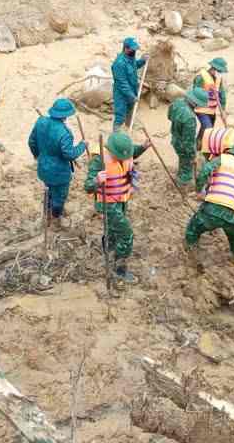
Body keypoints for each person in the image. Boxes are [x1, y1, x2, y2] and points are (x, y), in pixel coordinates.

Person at [85, 130, 151, 284]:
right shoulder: (99, 159)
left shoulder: (125, 150)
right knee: (126, 234)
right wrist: (96, 180)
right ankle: (119, 270)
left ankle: (108, 246)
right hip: (107, 202)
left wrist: (143, 147)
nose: (124, 158)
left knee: (114, 229)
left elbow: (132, 151)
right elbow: (87, 186)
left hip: (122, 197)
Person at [184, 131, 234, 260]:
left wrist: (199, 191)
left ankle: (190, 247)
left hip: (213, 209)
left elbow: (205, 171)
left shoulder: (222, 159)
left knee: (194, 228)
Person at [28, 98, 87, 229]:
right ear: (65, 115)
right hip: (59, 172)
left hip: (43, 167)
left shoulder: (41, 122)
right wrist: (82, 146)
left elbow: (31, 142)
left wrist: (38, 155)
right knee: (59, 195)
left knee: (48, 190)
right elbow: (69, 154)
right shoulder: (65, 134)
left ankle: (47, 214)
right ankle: (56, 218)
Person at [169, 87, 210, 184]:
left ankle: (181, 172)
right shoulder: (190, 119)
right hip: (183, 145)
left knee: (182, 161)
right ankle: (183, 182)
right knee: (187, 167)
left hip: (175, 138)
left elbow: (169, 116)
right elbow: (189, 142)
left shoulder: (177, 103)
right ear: (196, 103)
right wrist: (193, 156)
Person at [111, 37, 147, 131]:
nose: (134, 51)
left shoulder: (130, 58)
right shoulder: (119, 63)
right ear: (126, 48)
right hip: (122, 94)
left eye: (135, 49)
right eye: (132, 49)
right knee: (120, 114)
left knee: (130, 110)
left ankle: (129, 125)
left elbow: (135, 66)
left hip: (132, 90)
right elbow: (122, 83)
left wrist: (142, 61)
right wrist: (132, 96)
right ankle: (116, 134)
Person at [192, 58, 228, 132]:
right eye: (219, 71)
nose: (220, 73)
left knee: (205, 131)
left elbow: (222, 94)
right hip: (201, 109)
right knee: (208, 129)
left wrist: (223, 110)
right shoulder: (201, 77)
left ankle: (199, 142)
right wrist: (209, 94)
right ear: (213, 68)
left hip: (212, 110)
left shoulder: (218, 79)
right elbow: (195, 92)